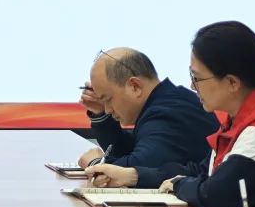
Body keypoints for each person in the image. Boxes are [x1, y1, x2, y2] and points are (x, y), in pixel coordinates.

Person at [87, 21, 255, 207]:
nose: (192, 86)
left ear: (232, 82)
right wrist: (133, 176)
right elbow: (201, 172)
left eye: (197, 78)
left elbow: (217, 195)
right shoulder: (241, 120)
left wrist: (177, 185)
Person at [76, 48, 218, 172]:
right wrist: (100, 115)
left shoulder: (166, 113)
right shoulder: (165, 101)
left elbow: (140, 166)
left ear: (135, 86)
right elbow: (128, 149)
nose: (107, 110)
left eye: (108, 99)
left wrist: (96, 165)